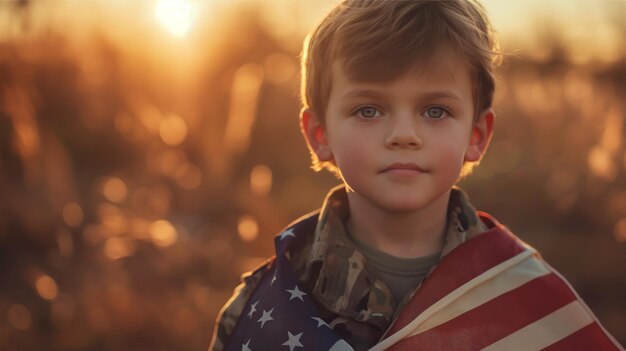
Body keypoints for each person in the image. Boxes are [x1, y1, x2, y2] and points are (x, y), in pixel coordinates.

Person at [210, 1, 623, 350]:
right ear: (320, 136)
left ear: (476, 136)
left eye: (435, 111)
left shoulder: (527, 297)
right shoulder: (265, 302)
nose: (404, 135)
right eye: (368, 110)